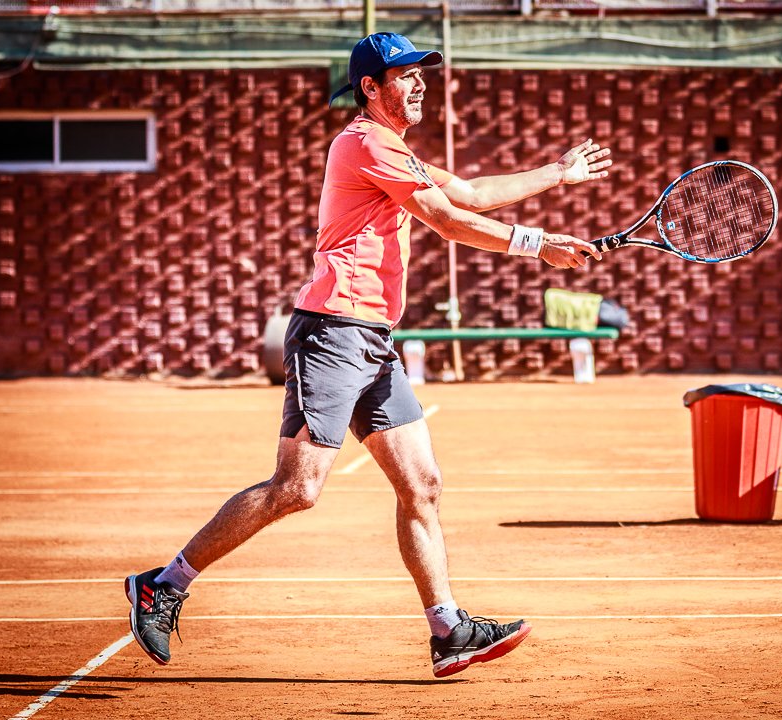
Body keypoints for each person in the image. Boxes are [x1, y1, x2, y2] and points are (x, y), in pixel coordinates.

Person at [125, 31, 612, 679]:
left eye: (421, 75)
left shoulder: (396, 149)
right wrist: (537, 244)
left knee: (423, 485)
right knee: (298, 488)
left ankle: (448, 632)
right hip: (332, 329)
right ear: (371, 89)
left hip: (373, 339)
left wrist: (558, 173)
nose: (419, 85)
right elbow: (448, 221)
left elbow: (467, 193)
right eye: (405, 76)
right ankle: (166, 582)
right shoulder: (364, 141)